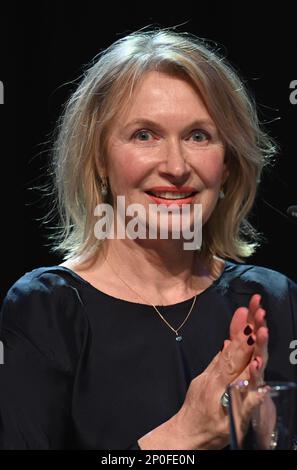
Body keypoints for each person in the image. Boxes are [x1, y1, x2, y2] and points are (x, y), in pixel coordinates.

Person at [0, 28, 296, 450]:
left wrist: (266, 430)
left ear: (227, 164)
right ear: (99, 158)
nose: (176, 166)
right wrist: (183, 438)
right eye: (145, 135)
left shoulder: (274, 301)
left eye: (199, 136)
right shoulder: (46, 310)